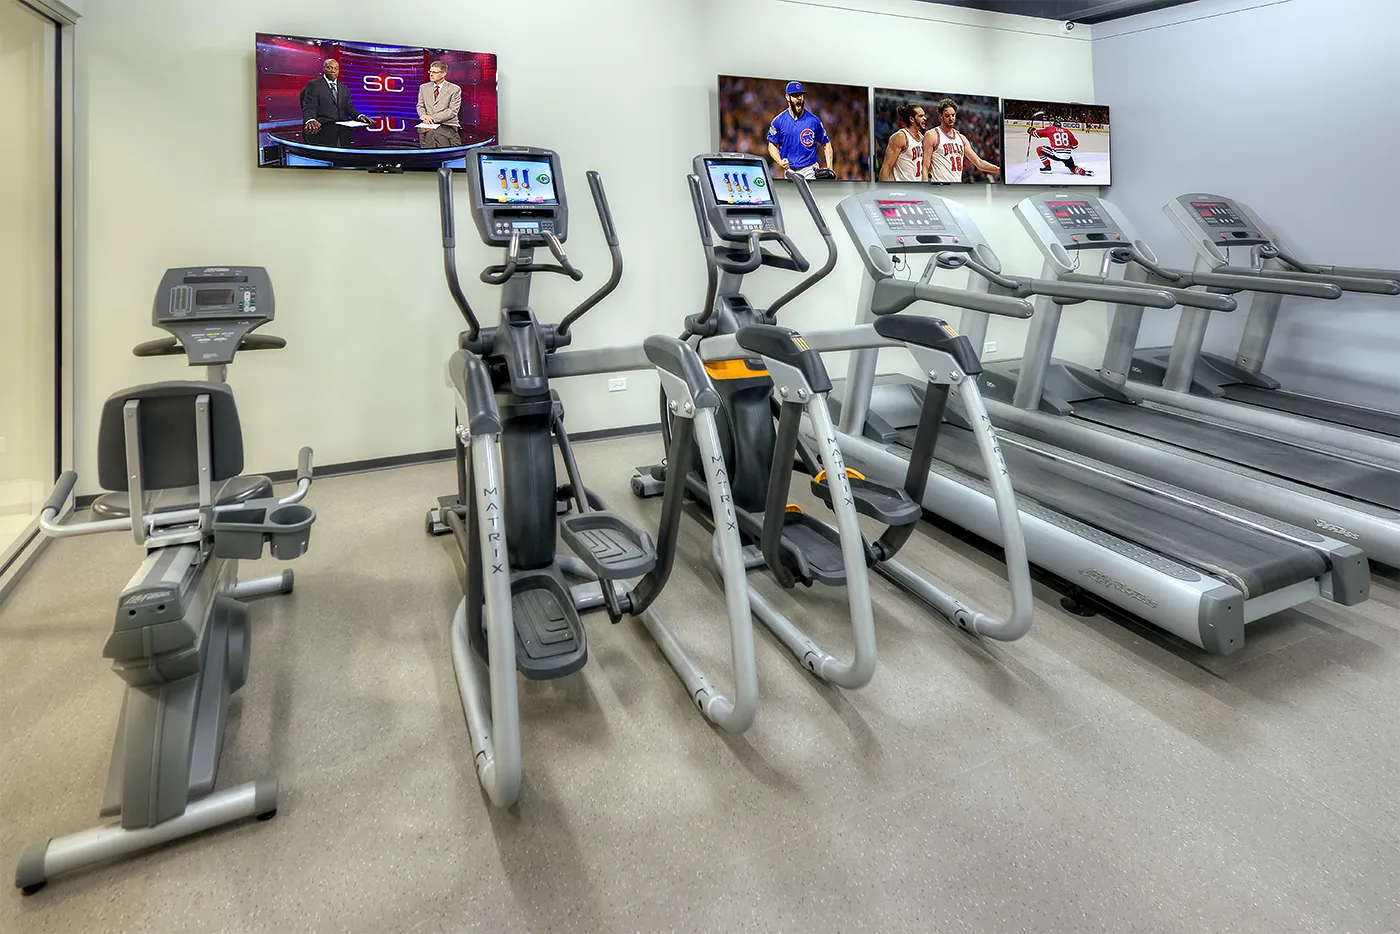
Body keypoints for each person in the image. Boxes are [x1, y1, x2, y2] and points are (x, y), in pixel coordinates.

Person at [766, 81, 834, 180]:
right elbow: (772, 146)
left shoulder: (813, 121)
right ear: (787, 97)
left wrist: (830, 167)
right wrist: (780, 161)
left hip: (809, 169)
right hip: (789, 171)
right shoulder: (778, 121)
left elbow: (826, 144)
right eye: (795, 95)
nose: (799, 98)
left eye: (800, 95)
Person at [922, 98, 1000, 183]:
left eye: (953, 115)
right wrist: (925, 188)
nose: (951, 118)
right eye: (947, 115)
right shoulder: (932, 135)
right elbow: (925, 166)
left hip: (957, 188)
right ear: (941, 116)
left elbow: (979, 163)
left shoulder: (962, 138)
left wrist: (999, 170)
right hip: (939, 187)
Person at [299, 59, 371, 144]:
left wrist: (359, 116)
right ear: (324, 69)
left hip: (343, 129)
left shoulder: (344, 88)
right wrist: (310, 119)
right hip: (324, 128)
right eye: (330, 68)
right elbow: (309, 106)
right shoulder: (314, 85)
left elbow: (348, 107)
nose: (333, 71)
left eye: (336, 69)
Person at [877, 102, 926, 182]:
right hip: (901, 189)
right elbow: (886, 168)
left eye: (924, 115)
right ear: (911, 119)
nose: (925, 118)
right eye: (921, 116)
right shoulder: (900, 137)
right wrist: (882, 191)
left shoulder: (922, 138)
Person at [1028, 118, 1094, 176]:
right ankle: (1082, 171)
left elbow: (1036, 134)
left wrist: (1031, 131)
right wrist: (1069, 146)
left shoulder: (1050, 129)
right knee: (1073, 168)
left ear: (1053, 125)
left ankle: (1047, 166)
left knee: (1039, 149)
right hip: (1067, 156)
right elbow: (1075, 145)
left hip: (1056, 155)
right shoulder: (1067, 131)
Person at [417, 61, 462, 130]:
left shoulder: (454, 89)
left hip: (448, 125)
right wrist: (424, 116)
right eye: (430, 72)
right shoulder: (423, 87)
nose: (431, 74)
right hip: (428, 124)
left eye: (434, 72)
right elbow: (420, 105)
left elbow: (452, 111)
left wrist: (432, 118)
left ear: (443, 74)